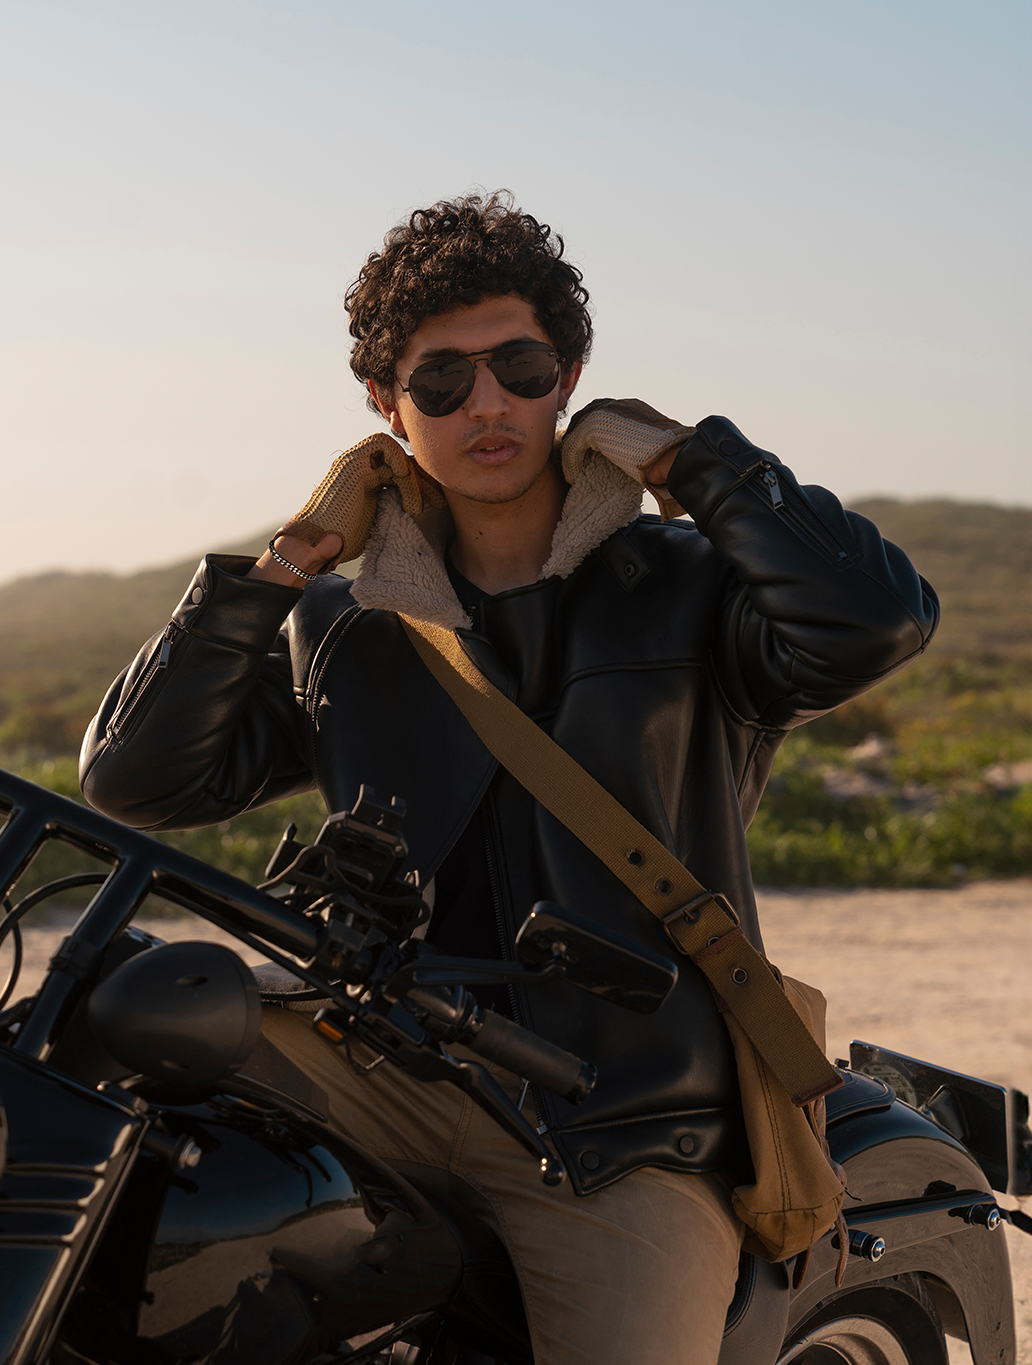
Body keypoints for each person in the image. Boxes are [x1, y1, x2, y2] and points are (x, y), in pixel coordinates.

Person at [78, 192, 939, 1365]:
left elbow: (876, 620)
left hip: (618, 1114)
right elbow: (137, 779)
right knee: (74, 1072)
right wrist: (284, 562)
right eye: (439, 383)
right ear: (384, 407)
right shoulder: (344, 621)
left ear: (567, 376)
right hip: (378, 1058)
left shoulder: (686, 587)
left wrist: (697, 462)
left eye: (518, 367)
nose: (485, 404)